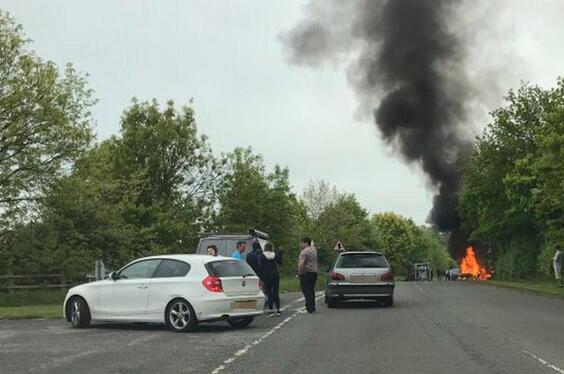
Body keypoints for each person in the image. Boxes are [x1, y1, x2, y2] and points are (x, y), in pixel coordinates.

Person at [258, 243, 283, 316]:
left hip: (266, 275)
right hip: (275, 275)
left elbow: (260, 266)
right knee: (276, 291)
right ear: (271, 248)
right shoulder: (274, 255)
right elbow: (280, 262)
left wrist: (261, 277)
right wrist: (280, 253)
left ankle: (271, 310)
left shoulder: (261, 256)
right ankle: (278, 309)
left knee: (269, 292)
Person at [298, 237, 318, 313]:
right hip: (314, 272)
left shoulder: (304, 252)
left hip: (306, 273)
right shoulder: (313, 249)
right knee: (311, 290)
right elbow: (312, 244)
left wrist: (299, 272)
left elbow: (301, 264)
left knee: (306, 290)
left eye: (301, 242)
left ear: (306, 243)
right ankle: (312, 306)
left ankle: (309, 307)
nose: (300, 244)